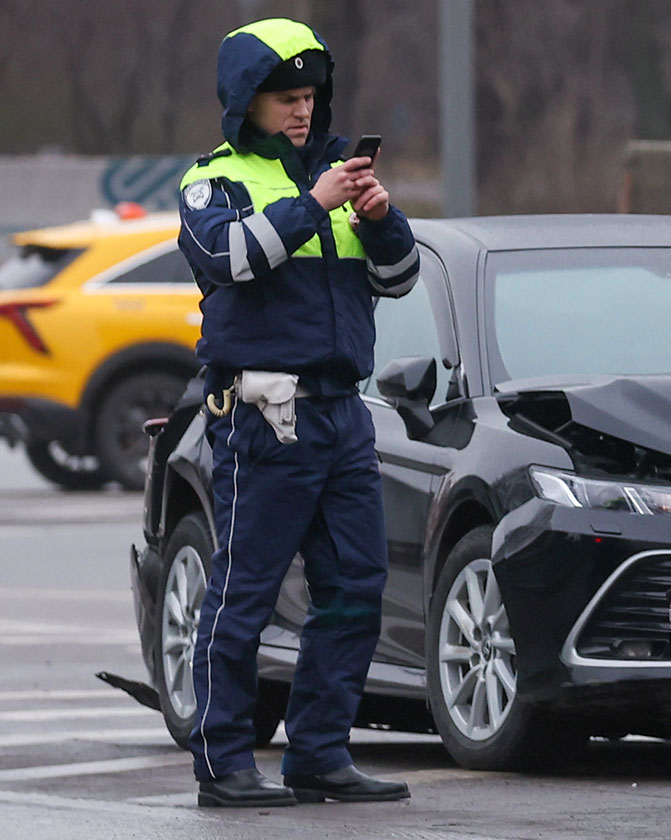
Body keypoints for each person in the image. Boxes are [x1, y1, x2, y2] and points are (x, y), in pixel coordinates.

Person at [175, 18, 418, 808]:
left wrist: (381, 219)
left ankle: (318, 754)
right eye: (287, 98)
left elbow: (402, 279)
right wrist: (316, 202)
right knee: (244, 591)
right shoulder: (214, 182)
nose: (303, 111)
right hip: (263, 417)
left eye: (310, 96)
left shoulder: (340, 181)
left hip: (343, 416)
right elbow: (231, 259)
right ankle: (224, 765)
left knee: (355, 587)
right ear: (249, 102)